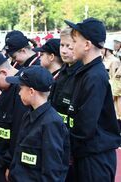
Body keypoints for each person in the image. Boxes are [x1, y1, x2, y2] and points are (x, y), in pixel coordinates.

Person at [65, 17, 121, 181]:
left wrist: (68, 148)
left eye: (74, 41)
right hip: (87, 153)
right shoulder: (87, 72)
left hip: (94, 157)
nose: (71, 46)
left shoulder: (95, 76)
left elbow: (85, 124)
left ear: (87, 45)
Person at [6, 66, 70, 181]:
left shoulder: (51, 123)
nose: (19, 93)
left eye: (21, 88)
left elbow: (52, 170)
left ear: (31, 91)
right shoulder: (28, 115)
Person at [0, 52, 28, 182]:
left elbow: (19, 132)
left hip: (11, 166)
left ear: (3, 72)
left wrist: (11, 165)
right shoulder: (7, 91)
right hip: (1, 162)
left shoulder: (21, 91)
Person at [48, 27, 83, 182]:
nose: (64, 50)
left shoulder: (83, 75)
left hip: (74, 148)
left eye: (69, 46)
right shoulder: (63, 72)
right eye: (62, 45)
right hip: (59, 142)